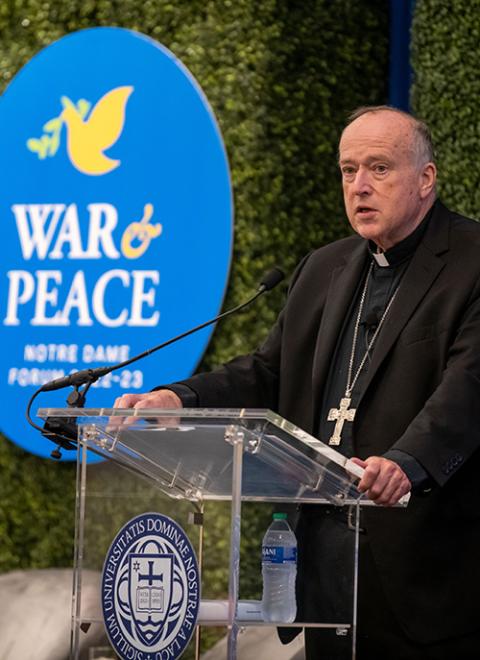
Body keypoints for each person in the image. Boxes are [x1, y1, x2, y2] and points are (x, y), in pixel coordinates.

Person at [114, 106, 480, 659]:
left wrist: (407, 462)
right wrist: (179, 397)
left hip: (428, 573)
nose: (359, 186)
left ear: (426, 179)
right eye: (348, 170)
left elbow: (468, 387)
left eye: (379, 168)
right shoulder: (324, 268)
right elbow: (267, 372)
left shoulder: (471, 261)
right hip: (326, 574)